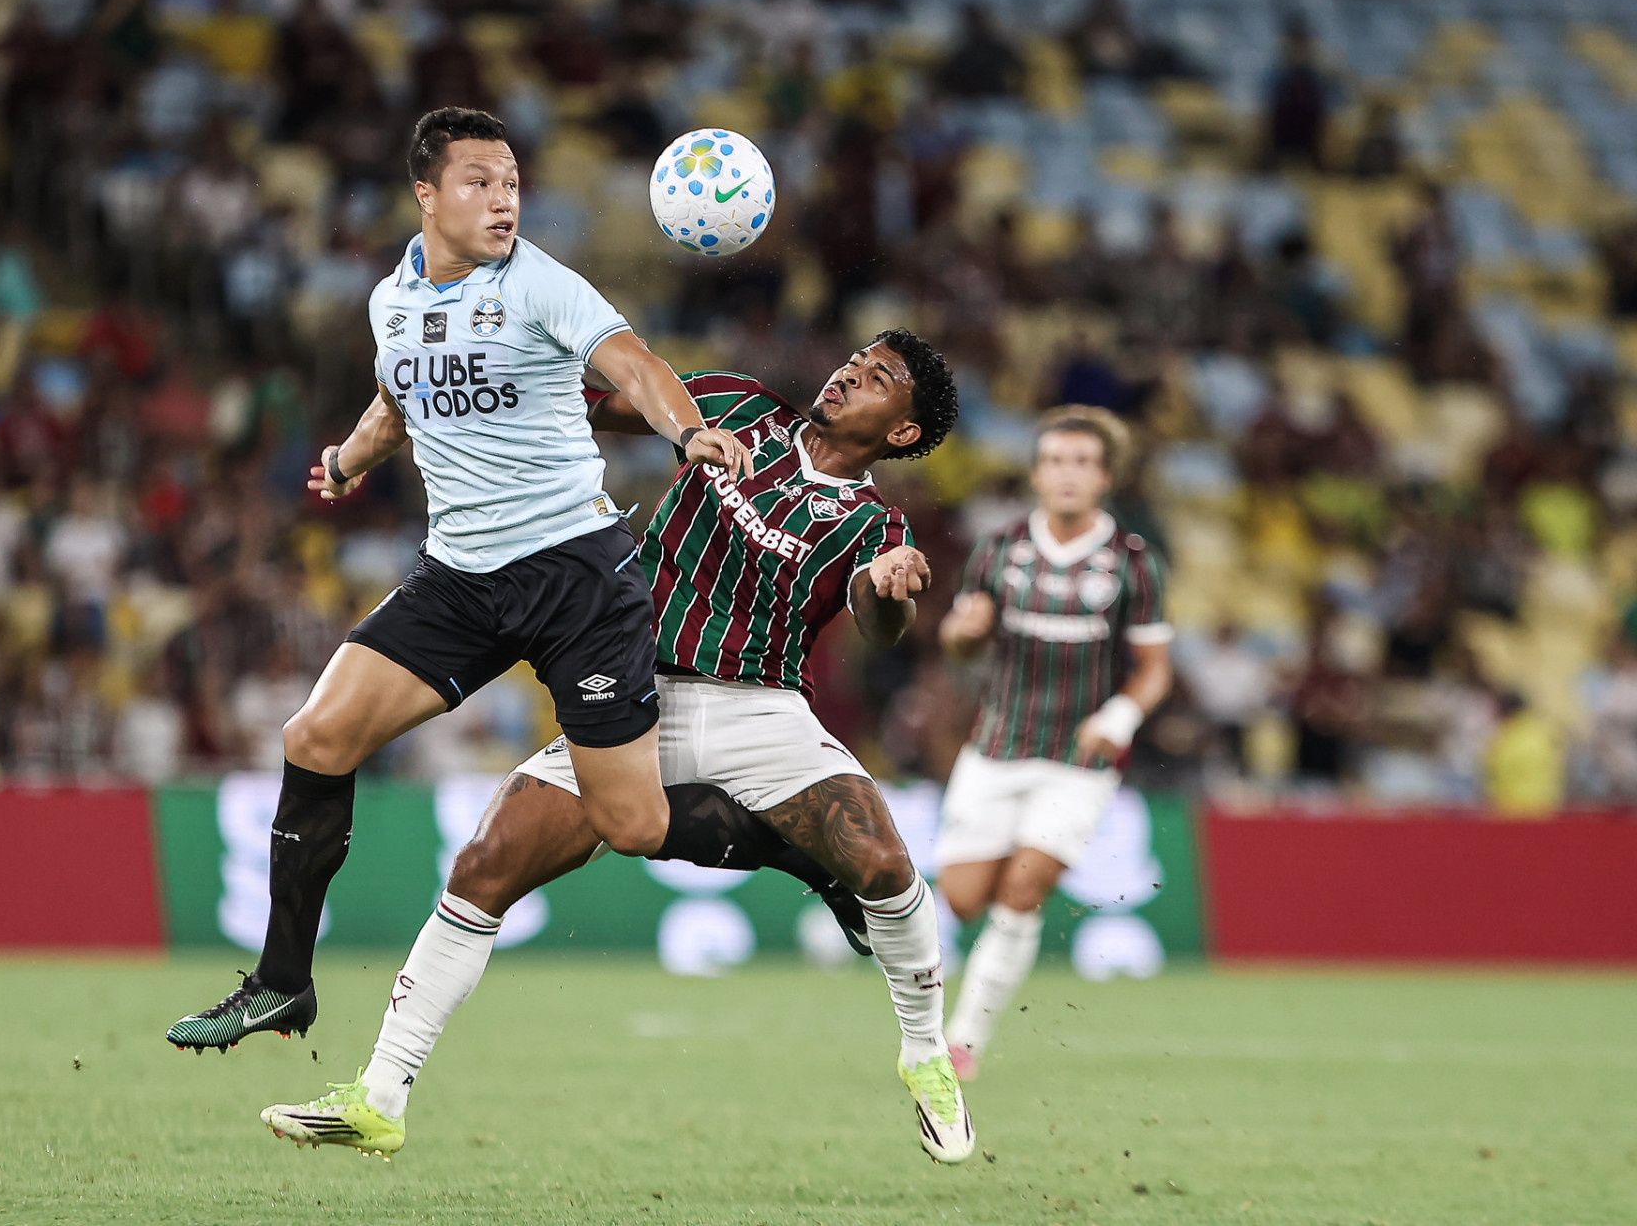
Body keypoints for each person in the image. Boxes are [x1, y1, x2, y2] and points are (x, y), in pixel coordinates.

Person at [258, 333, 980, 1165]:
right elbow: (589, 409)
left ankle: (926, 1053)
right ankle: (380, 1096)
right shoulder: (734, 404)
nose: (853, 369)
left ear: (899, 432)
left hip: (761, 708)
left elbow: (876, 617)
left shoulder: (874, 521)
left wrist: (892, 590)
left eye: (880, 376)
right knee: (486, 864)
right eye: (859, 356)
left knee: (883, 860)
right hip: (631, 686)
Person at [165, 108, 751, 1050]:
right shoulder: (390, 299)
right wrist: (350, 459)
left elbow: (635, 365)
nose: (503, 199)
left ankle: (804, 848)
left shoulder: (542, 286)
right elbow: (399, 395)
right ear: (426, 195)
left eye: (513, 182)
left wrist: (688, 432)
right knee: (317, 734)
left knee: (635, 822)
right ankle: (282, 982)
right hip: (462, 578)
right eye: (479, 181)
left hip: (575, 576)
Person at [934, 406, 1173, 1082]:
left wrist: (1122, 715)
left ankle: (965, 1040)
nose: (1068, 474)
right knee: (961, 897)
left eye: (1083, 462)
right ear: (1037, 472)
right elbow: (959, 644)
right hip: (997, 746)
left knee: (1024, 887)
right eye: (1056, 461)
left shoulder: (1133, 562)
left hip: (1078, 759)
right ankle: (1006, 856)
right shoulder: (999, 548)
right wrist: (965, 628)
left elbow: (1155, 668)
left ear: (1104, 476)